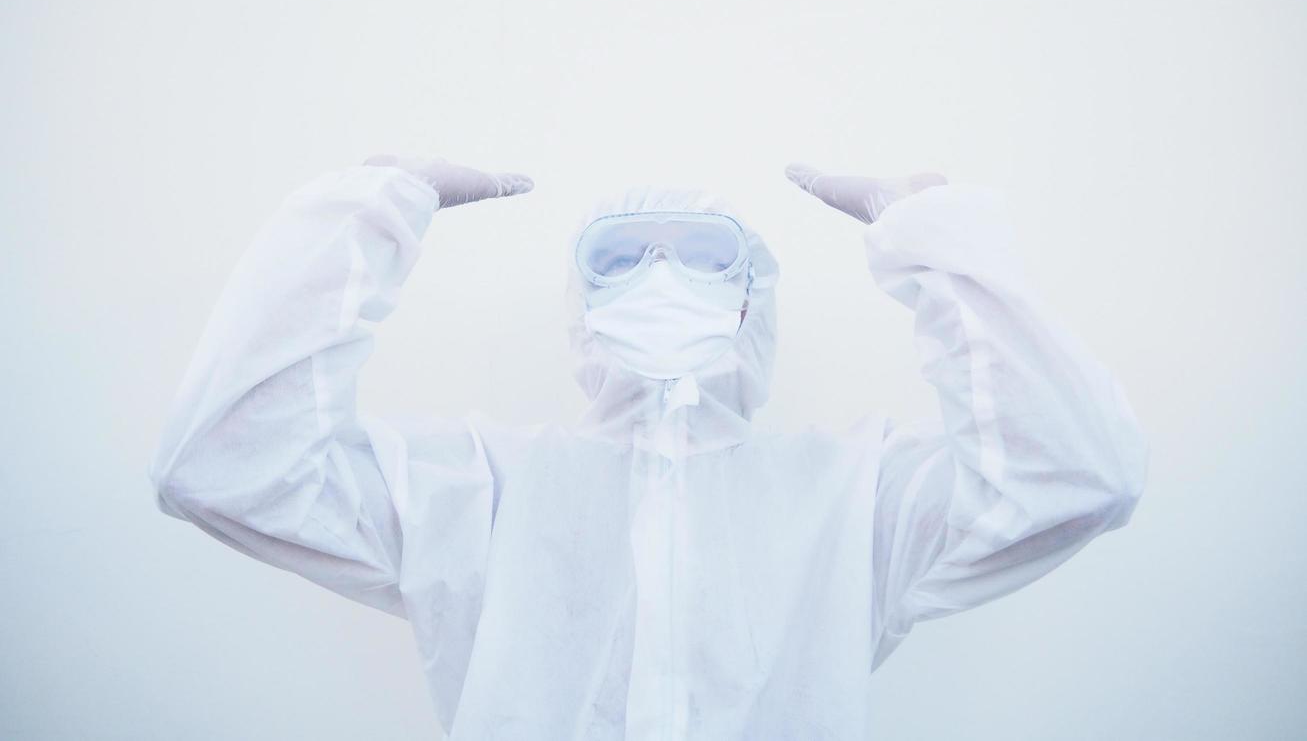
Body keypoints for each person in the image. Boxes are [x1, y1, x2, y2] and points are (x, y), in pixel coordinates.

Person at [149, 155, 1148, 739]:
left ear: (753, 296)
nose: (660, 275)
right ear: (580, 305)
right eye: (619, 258)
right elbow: (226, 465)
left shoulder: (853, 500)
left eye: (705, 256)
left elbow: (1076, 472)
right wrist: (369, 210)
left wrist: (934, 237)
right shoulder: (480, 490)